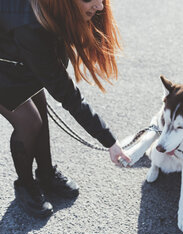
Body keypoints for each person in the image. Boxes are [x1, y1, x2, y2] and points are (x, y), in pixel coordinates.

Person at [0, 0, 131, 218]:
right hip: (8, 61)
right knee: (30, 122)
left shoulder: (49, 11)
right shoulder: (29, 27)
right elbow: (67, 94)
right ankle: (25, 185)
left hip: (15, 57)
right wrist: (109, 141)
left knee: (38, 104)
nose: (99, 6)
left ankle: (46, 174)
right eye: (89, 0)